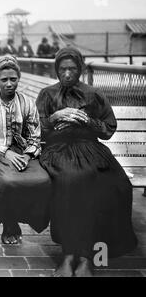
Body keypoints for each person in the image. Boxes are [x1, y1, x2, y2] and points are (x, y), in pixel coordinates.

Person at [36, 46, 138, 277]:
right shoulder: (47, 94)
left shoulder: (94, 94)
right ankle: (70, 254)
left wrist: (88, 121)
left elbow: (108, 129)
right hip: (58, 149)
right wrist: (53, 118)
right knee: (72, 180)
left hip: (90, 148)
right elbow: (35, 130)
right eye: (63, 69)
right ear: (56, 70)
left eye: (72, 69)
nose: (68, 74)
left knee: (114, 184)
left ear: (80, 69)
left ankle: (86, 256)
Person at [0, 55, 51, 245]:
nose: (9, 84)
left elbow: (35, 135)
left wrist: (27, 156)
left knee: (42, 180)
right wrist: (5, 152)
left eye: (13, 79)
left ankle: (22, 219)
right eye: (4, 80)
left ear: (19, 78)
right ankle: (9, 222)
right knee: (7, 181)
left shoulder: (27, 102)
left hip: (23, 153)